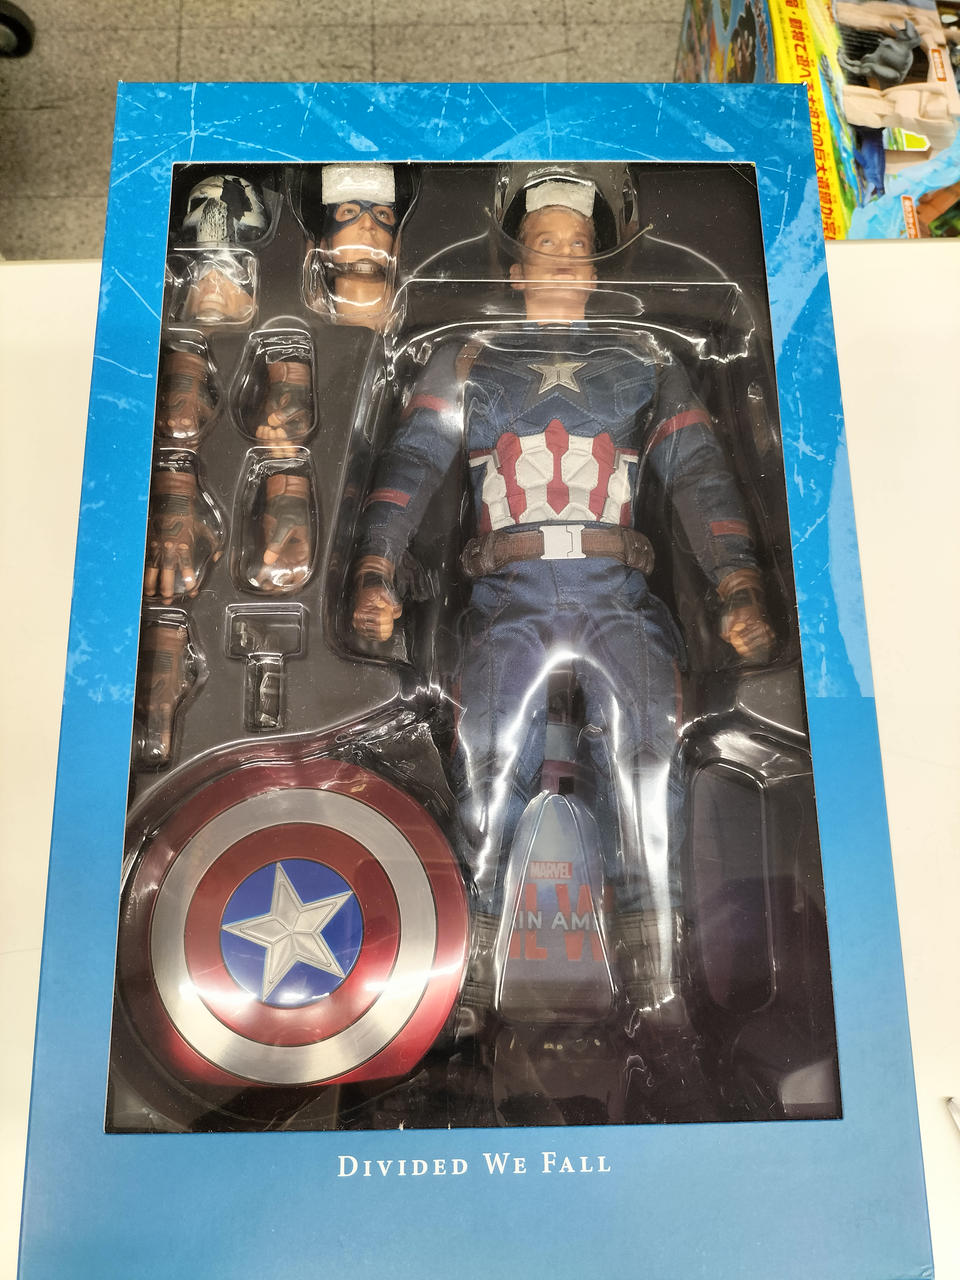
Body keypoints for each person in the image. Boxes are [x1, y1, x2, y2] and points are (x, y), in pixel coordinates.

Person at [351, 173, 774, 1040]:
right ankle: (467, 962)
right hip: (506, 596)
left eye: (577, 248)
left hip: (616, 591)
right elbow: (412, 464)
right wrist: (374, 569)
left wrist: (737, 583)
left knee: (649, 750)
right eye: (543, 246)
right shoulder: (467, 358)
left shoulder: (645, 359)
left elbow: (699, 475)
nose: (561, 261)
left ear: (595, 269)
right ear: (515, 269)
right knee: (485, 759)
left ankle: (656, 961)